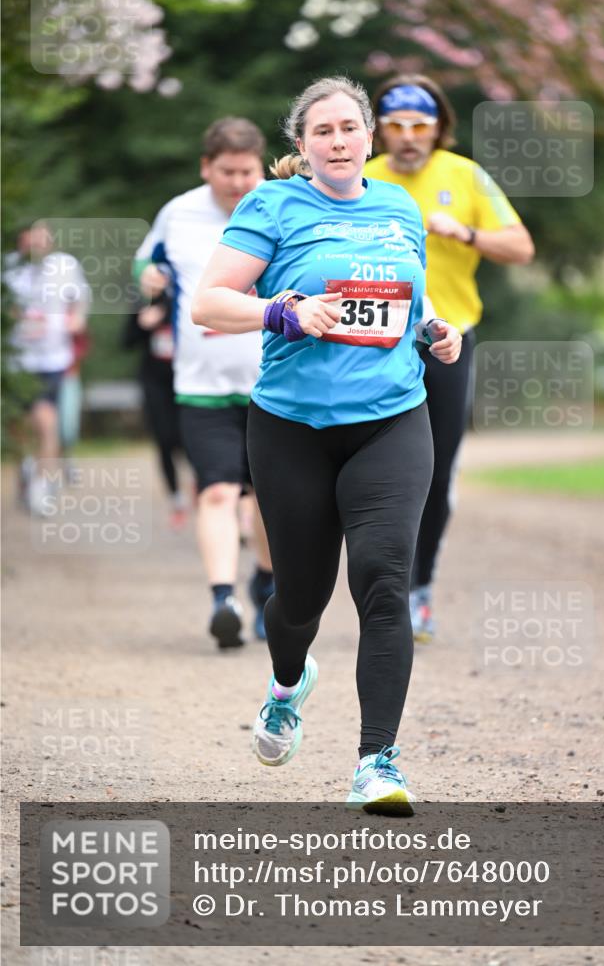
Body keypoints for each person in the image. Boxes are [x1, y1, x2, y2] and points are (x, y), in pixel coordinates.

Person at [192, 76, 462, 813]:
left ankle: (377, 762)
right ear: (303, 145)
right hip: (292, 428)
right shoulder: (273, 205)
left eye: (349, 128)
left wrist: (438, 331)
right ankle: (287, 684)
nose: (338, 142)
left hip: (391, 418)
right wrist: (284, 310)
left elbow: (407, 295)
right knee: (299, 598)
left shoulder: (398, 206)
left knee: (382, 583)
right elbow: (208, 302)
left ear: (367, 136)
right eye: (323, 132)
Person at [366, 75, 535, 643]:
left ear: (439, 126)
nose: (408, 136)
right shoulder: (361, 177)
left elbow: (520, 246)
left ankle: (419, 587)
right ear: (379, 129)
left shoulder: (465, 176)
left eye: (420, 125)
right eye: (396, 125)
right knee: (360, 465)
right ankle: (367, 584)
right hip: (369, 340)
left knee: (434, 471)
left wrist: (463, 231)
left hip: (446, 339)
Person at [134, 117, 274, 647]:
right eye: (226, 172)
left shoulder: (281, 205)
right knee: (216, 490)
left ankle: (266, 585)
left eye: (247, 171)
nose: (238, 183)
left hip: (273, 382)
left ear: (261, 166)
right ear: (205, 167)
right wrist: (148, 277)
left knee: (265, 498)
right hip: (201, 384)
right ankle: (223, 598)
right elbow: (146, 263)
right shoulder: (179, 212)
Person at [4, 222, 90, 515]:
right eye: (34, 235)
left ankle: (43, 484)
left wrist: (76, 320)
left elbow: (80, 300)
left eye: (45, 235)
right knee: (18, 426)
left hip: (53, 358)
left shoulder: (66, 266)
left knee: (46, 418)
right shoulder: (9, 268)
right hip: (16, 361)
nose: (40, 241)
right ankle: (26, 471)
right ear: (22, 238)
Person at [122, 286, 187, 530]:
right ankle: (176, 498)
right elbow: (126, 342)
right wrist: (143, 324)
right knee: (164, 440)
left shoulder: (186, 295)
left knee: (188, 439)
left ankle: (201, 488)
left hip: (186, 381)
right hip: (154, 383)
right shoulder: (143, 302)